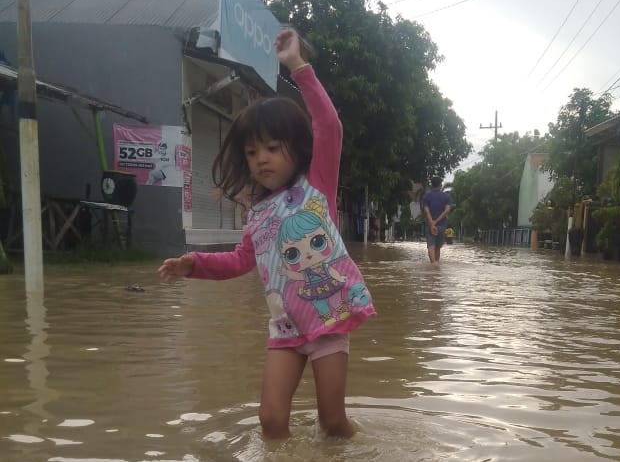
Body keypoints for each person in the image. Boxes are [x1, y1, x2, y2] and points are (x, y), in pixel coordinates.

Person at [158, 28, 376, 439]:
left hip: (329, 322)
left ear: (295, 147)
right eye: (252, 152)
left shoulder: (317, 186)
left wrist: (297, 65)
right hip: (286, 330)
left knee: (332, 422)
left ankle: (357, 448)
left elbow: (329, 125)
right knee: (271, 420)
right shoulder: (257, 213)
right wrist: (194, 264)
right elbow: (240, 261)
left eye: (272, 148)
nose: (261, 159)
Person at [422, 176, 451, 263]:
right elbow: (447, 210)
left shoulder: (426, 197)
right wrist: (436, 221)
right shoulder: (446, 196)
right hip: (442, 225)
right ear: (440, 185)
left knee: (431, 245)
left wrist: (432, 223)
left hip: (429, 225)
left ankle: (433, 265)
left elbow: (426, 211)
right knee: (438, 247)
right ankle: (436, 265)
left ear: (432, 185)